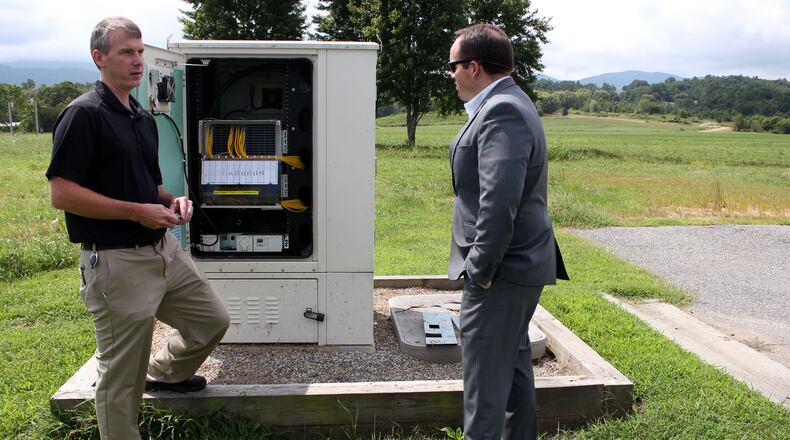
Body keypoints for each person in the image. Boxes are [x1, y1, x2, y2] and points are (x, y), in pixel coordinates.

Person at [46, 16, 230, 440]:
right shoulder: (82, 115)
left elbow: (152, 187)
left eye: (140, 51)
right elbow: (63, 194)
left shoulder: (142, 118)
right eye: (126, 52)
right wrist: (138, 212)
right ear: (99, 58)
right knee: (121, 379)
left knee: (211, 322)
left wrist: (171, 201)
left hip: (161, 249)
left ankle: (165, 374)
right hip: (114, 260)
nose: (138, 61)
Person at [447, 24, 569, 439]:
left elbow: (499, 204)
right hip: (514, 269)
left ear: (474, 66)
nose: (451, 75)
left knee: (483, 389)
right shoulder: (508, 102)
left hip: (501, 272)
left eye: (453, 66)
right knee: (513, 374)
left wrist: (479, 269)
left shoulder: (502, 110)